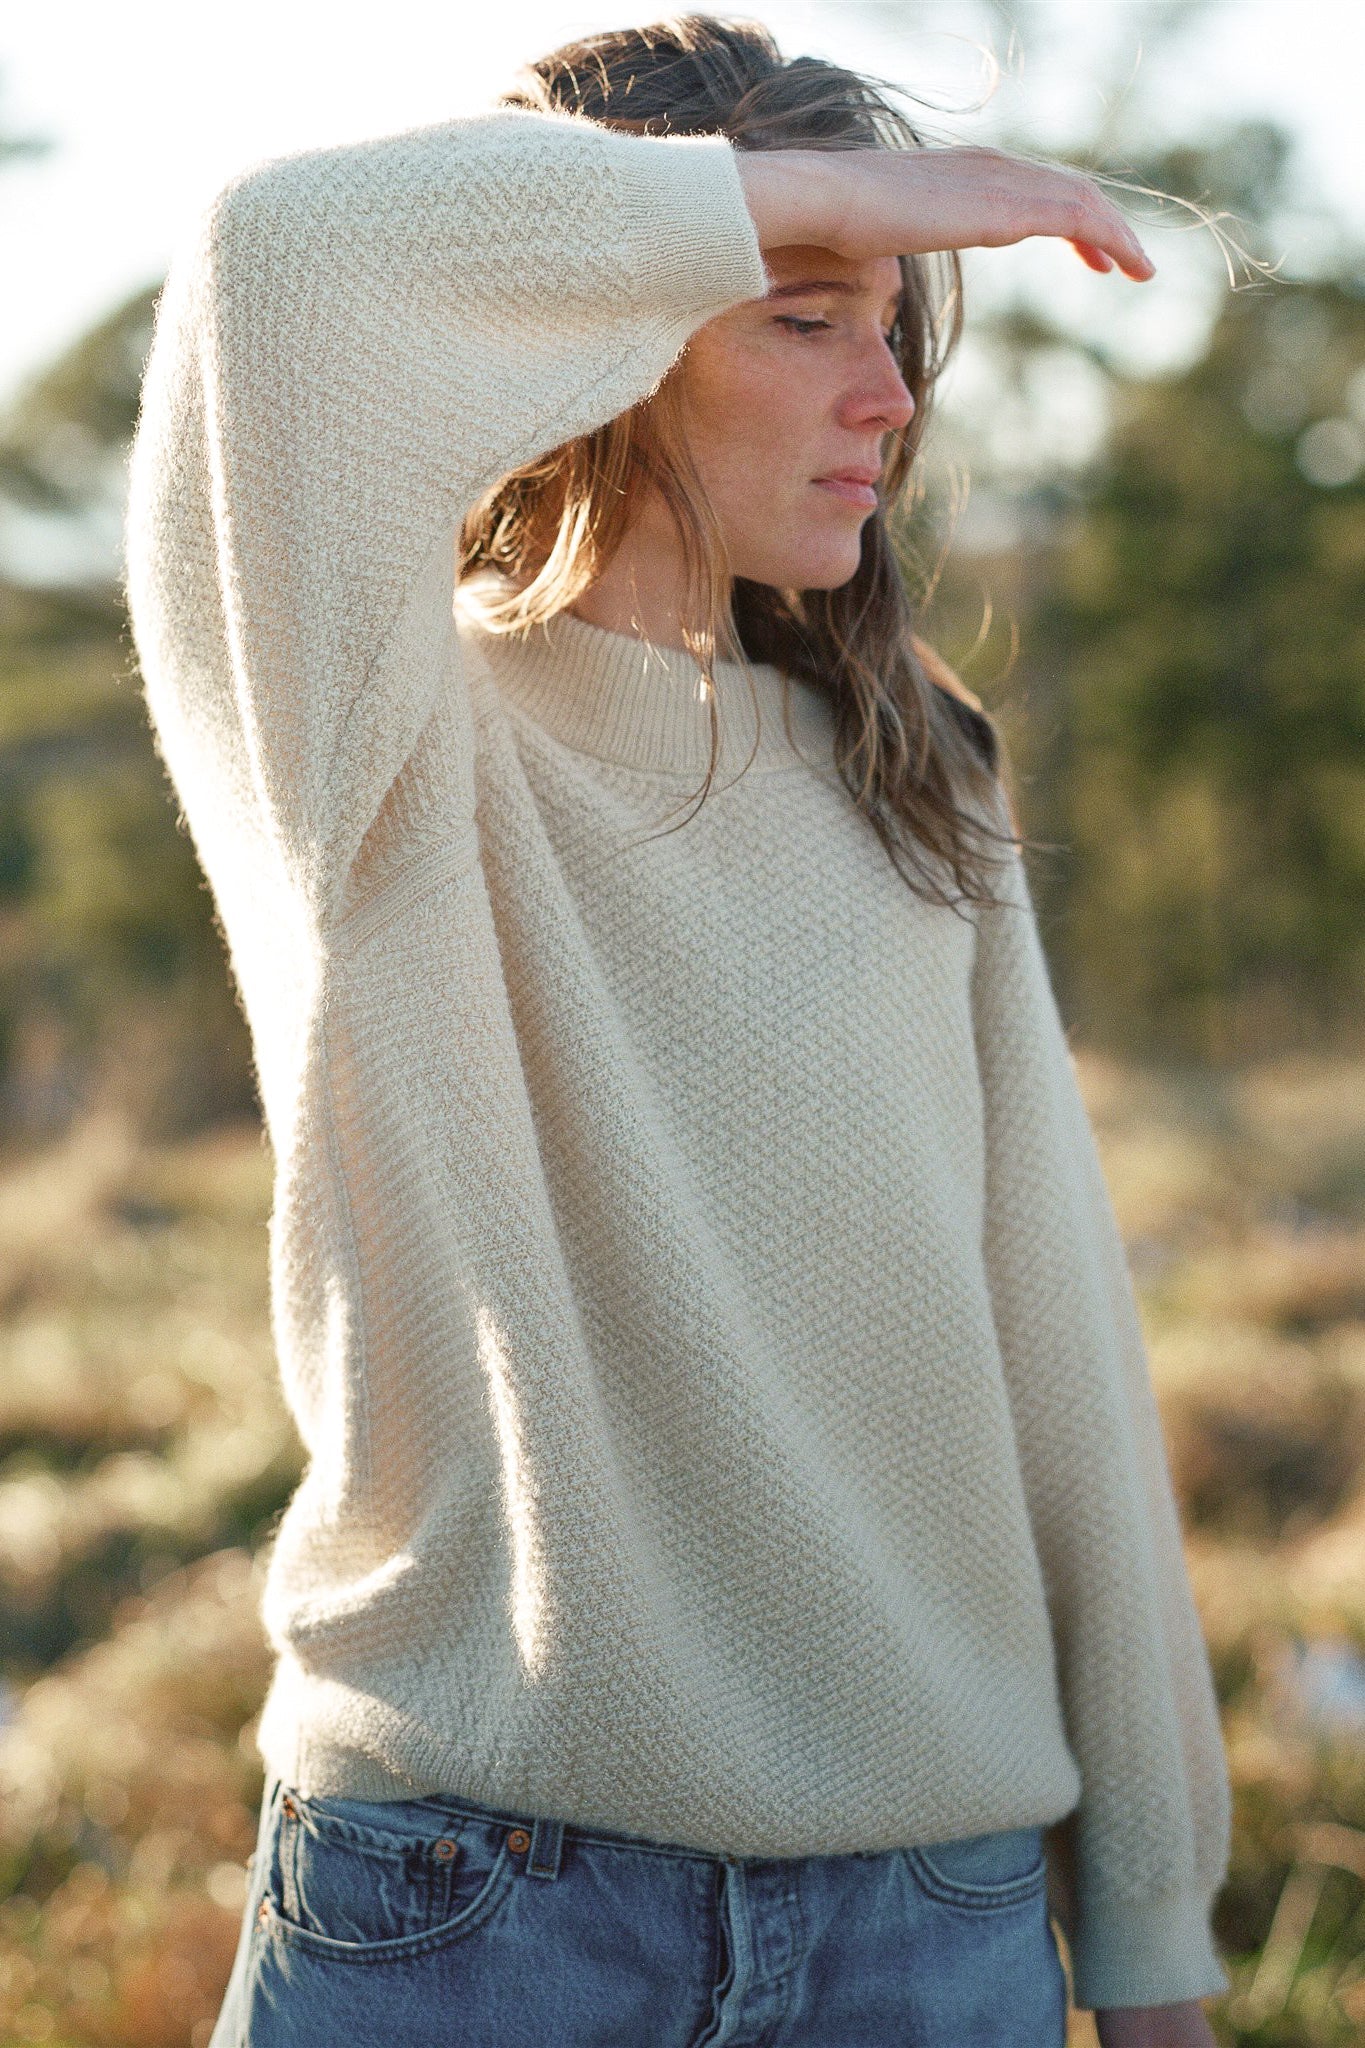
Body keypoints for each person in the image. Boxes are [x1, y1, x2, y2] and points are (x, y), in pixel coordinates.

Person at [122, 15, 1232, 2047]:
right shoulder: (378, 739)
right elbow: (275, 267)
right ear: (605, 321)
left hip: (935, 1920)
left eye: (894, 325)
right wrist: (802, 189)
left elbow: (1057, 1356)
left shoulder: (921, 782)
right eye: (803, 316)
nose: (888, 395)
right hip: (469, 1911)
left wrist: (1150, 1926)